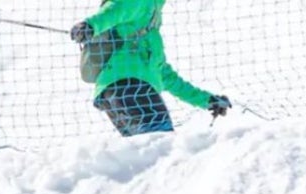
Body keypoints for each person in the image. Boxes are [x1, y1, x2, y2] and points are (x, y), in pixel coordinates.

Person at [70, 1, 232, 137]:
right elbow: (116, 9)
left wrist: (207, 100)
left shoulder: (151, 35)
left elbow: (172, 80)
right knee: (163, 144)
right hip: (130, 87)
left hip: (115, 95)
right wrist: (90, 26)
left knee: (147, 152)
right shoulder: (143, 4)